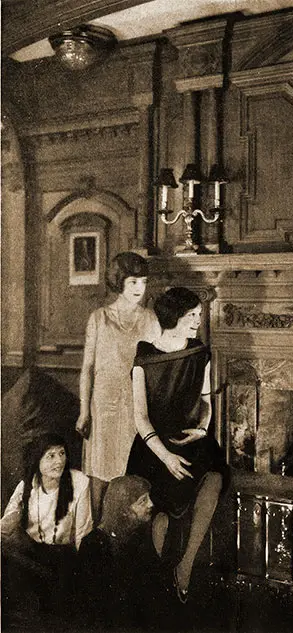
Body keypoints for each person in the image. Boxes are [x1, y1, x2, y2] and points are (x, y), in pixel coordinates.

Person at [127, 287, 229, 603]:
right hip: (154, 447)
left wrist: (202, 428)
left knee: (214, 479)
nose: (198, 322)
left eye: (199, 315)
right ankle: (153, 586)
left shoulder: (200, 353)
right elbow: (141, 420)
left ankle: (184, 569)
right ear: (174, 317)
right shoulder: (143, 357)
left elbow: (206, 403)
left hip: (192, 440)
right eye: (192, 316)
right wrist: (167, 457)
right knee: (158, 511)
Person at [76, 251, 160, 522]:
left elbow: (157, 368)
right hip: (103, 406)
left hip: (136, 406)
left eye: (144, 282)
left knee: (133, 473)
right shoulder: (99, 318)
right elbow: (87, 368)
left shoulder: (151, 319)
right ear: (119, 282)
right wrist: (84, 411)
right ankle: (96, 539)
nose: (140, 288)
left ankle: (130, 542)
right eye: (133, 282)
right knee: (99, 474)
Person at [1, 433, 92, 623]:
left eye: (61, 453)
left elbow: (84, 531)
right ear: (37, 459)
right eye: (50, 456)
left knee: (58, 613)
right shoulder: (28, 485)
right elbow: (7, 523)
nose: (58, 461)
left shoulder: (79, 482)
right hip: (32, 554)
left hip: (63, 558)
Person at [78, 475, 169, 629]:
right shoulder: (94, 544)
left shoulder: (140, 536)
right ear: (124, 511)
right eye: (143, 501)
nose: (151, 504)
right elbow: (94, 606)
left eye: (148, 498)